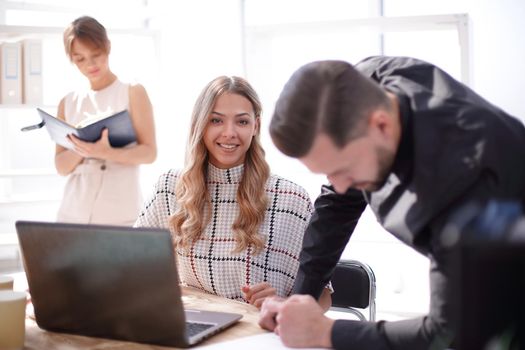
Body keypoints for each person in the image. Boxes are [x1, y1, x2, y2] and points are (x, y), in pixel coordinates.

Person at [258, 57, 525, 349]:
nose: (340, 185)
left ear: (381, 125)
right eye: (328, 172)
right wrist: (300, 302)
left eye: (344, 169)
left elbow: (449, 331)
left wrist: (326, 332)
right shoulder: (364, 86)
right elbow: (337, 204)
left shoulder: (466, 186)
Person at [135, 76, 331, 309]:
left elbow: (323, 298)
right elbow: (132, 266)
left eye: (242, 122)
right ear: (200, 125)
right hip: (189, 329)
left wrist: (284, 303)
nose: (229, 133)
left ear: (255, 126)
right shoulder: (168, 188)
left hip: (260, 335)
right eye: (216, 120)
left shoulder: (290, 198)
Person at [55, 16, 156, 225]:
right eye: (80, 59)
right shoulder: (68, 102)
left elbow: (149, 153)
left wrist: (105, 152)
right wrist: (81, 148)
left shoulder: (133, 91)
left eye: (96, 54)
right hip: (74, 212)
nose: (90, 64)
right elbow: (61, 167)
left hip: (119, 212)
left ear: (107, 47)